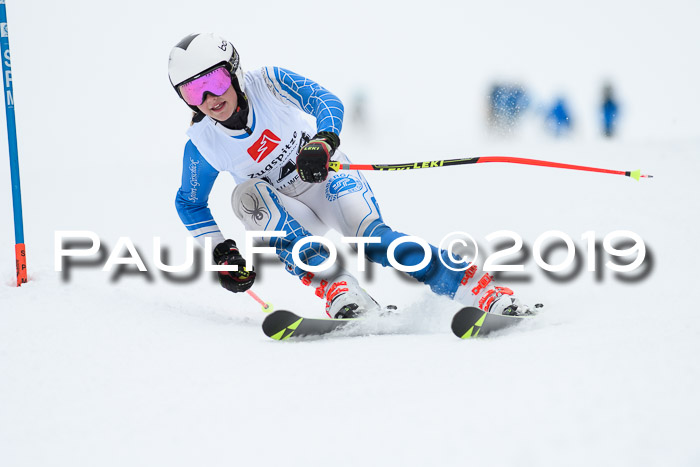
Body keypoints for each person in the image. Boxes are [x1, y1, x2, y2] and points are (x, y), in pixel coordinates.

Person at [168, 33, 538, 318]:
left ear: (233, 70)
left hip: (325, 181)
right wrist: (220, 250)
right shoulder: (203, 142)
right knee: (247, 196)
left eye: (214, 81)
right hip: (284, 213)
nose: (209, 98)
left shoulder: (267, 82)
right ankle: (340, 290)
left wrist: (323, 142)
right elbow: (190, 201)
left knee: (375, 241)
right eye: (193, 92)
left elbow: (325, 101)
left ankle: (479, 289)